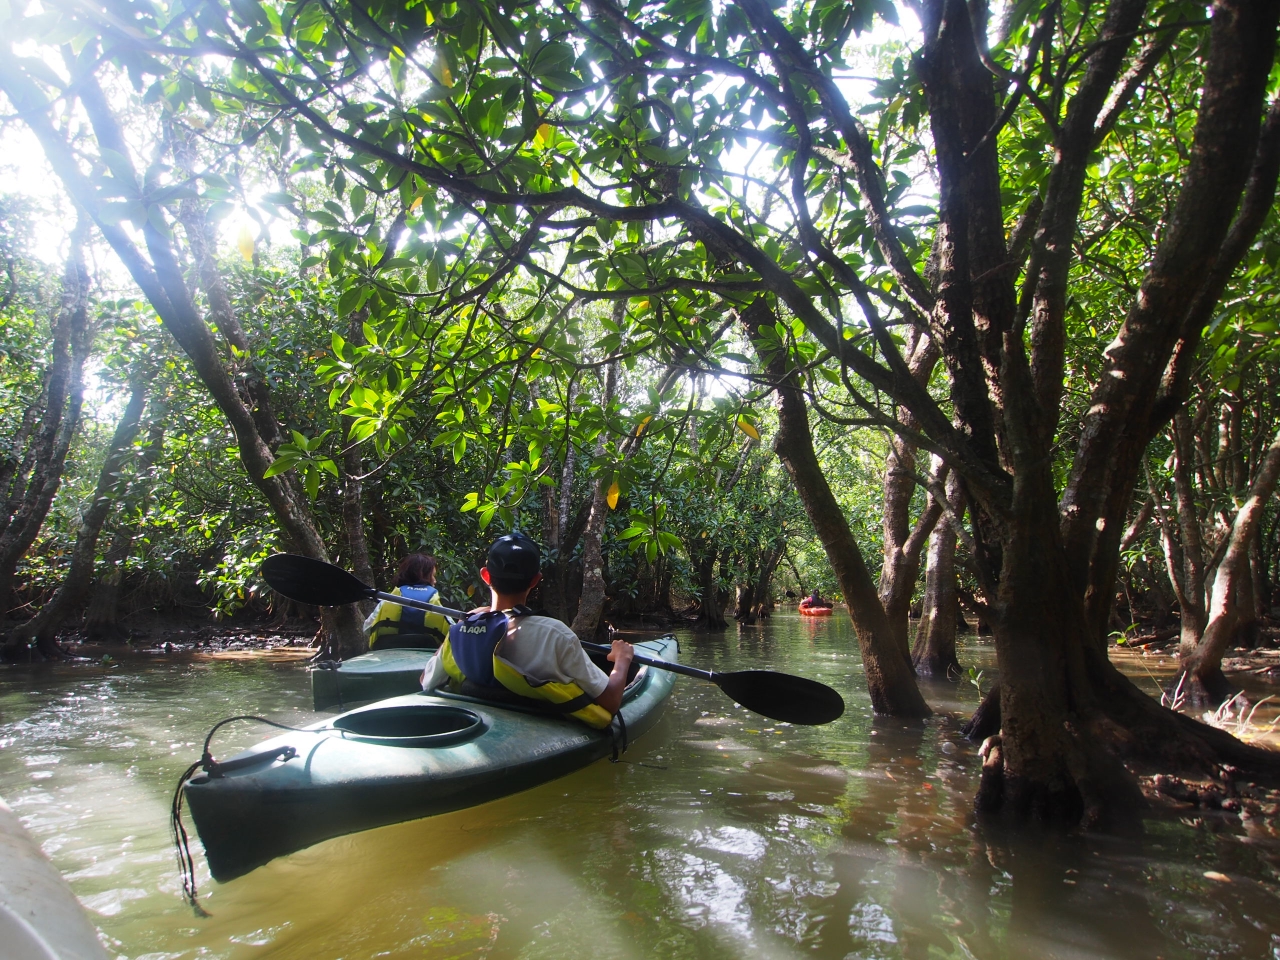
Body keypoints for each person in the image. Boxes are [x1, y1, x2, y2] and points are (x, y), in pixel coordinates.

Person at [420, 533, 634, 728]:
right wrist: (622, 659)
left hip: (480, 725)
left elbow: (426, 681)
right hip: (537, 731)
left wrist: (464, 624)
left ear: (485, 576)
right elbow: (611, 703)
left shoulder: (462, 629)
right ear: (536, 580)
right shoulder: (555, 634)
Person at [364, 554, 450, 650]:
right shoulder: (435, 601)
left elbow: (366, 628)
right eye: (433, 576)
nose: (435, 581)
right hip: (425, 654)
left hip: (388, 652)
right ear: (423, 576)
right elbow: (453, 632)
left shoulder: (392, 598)